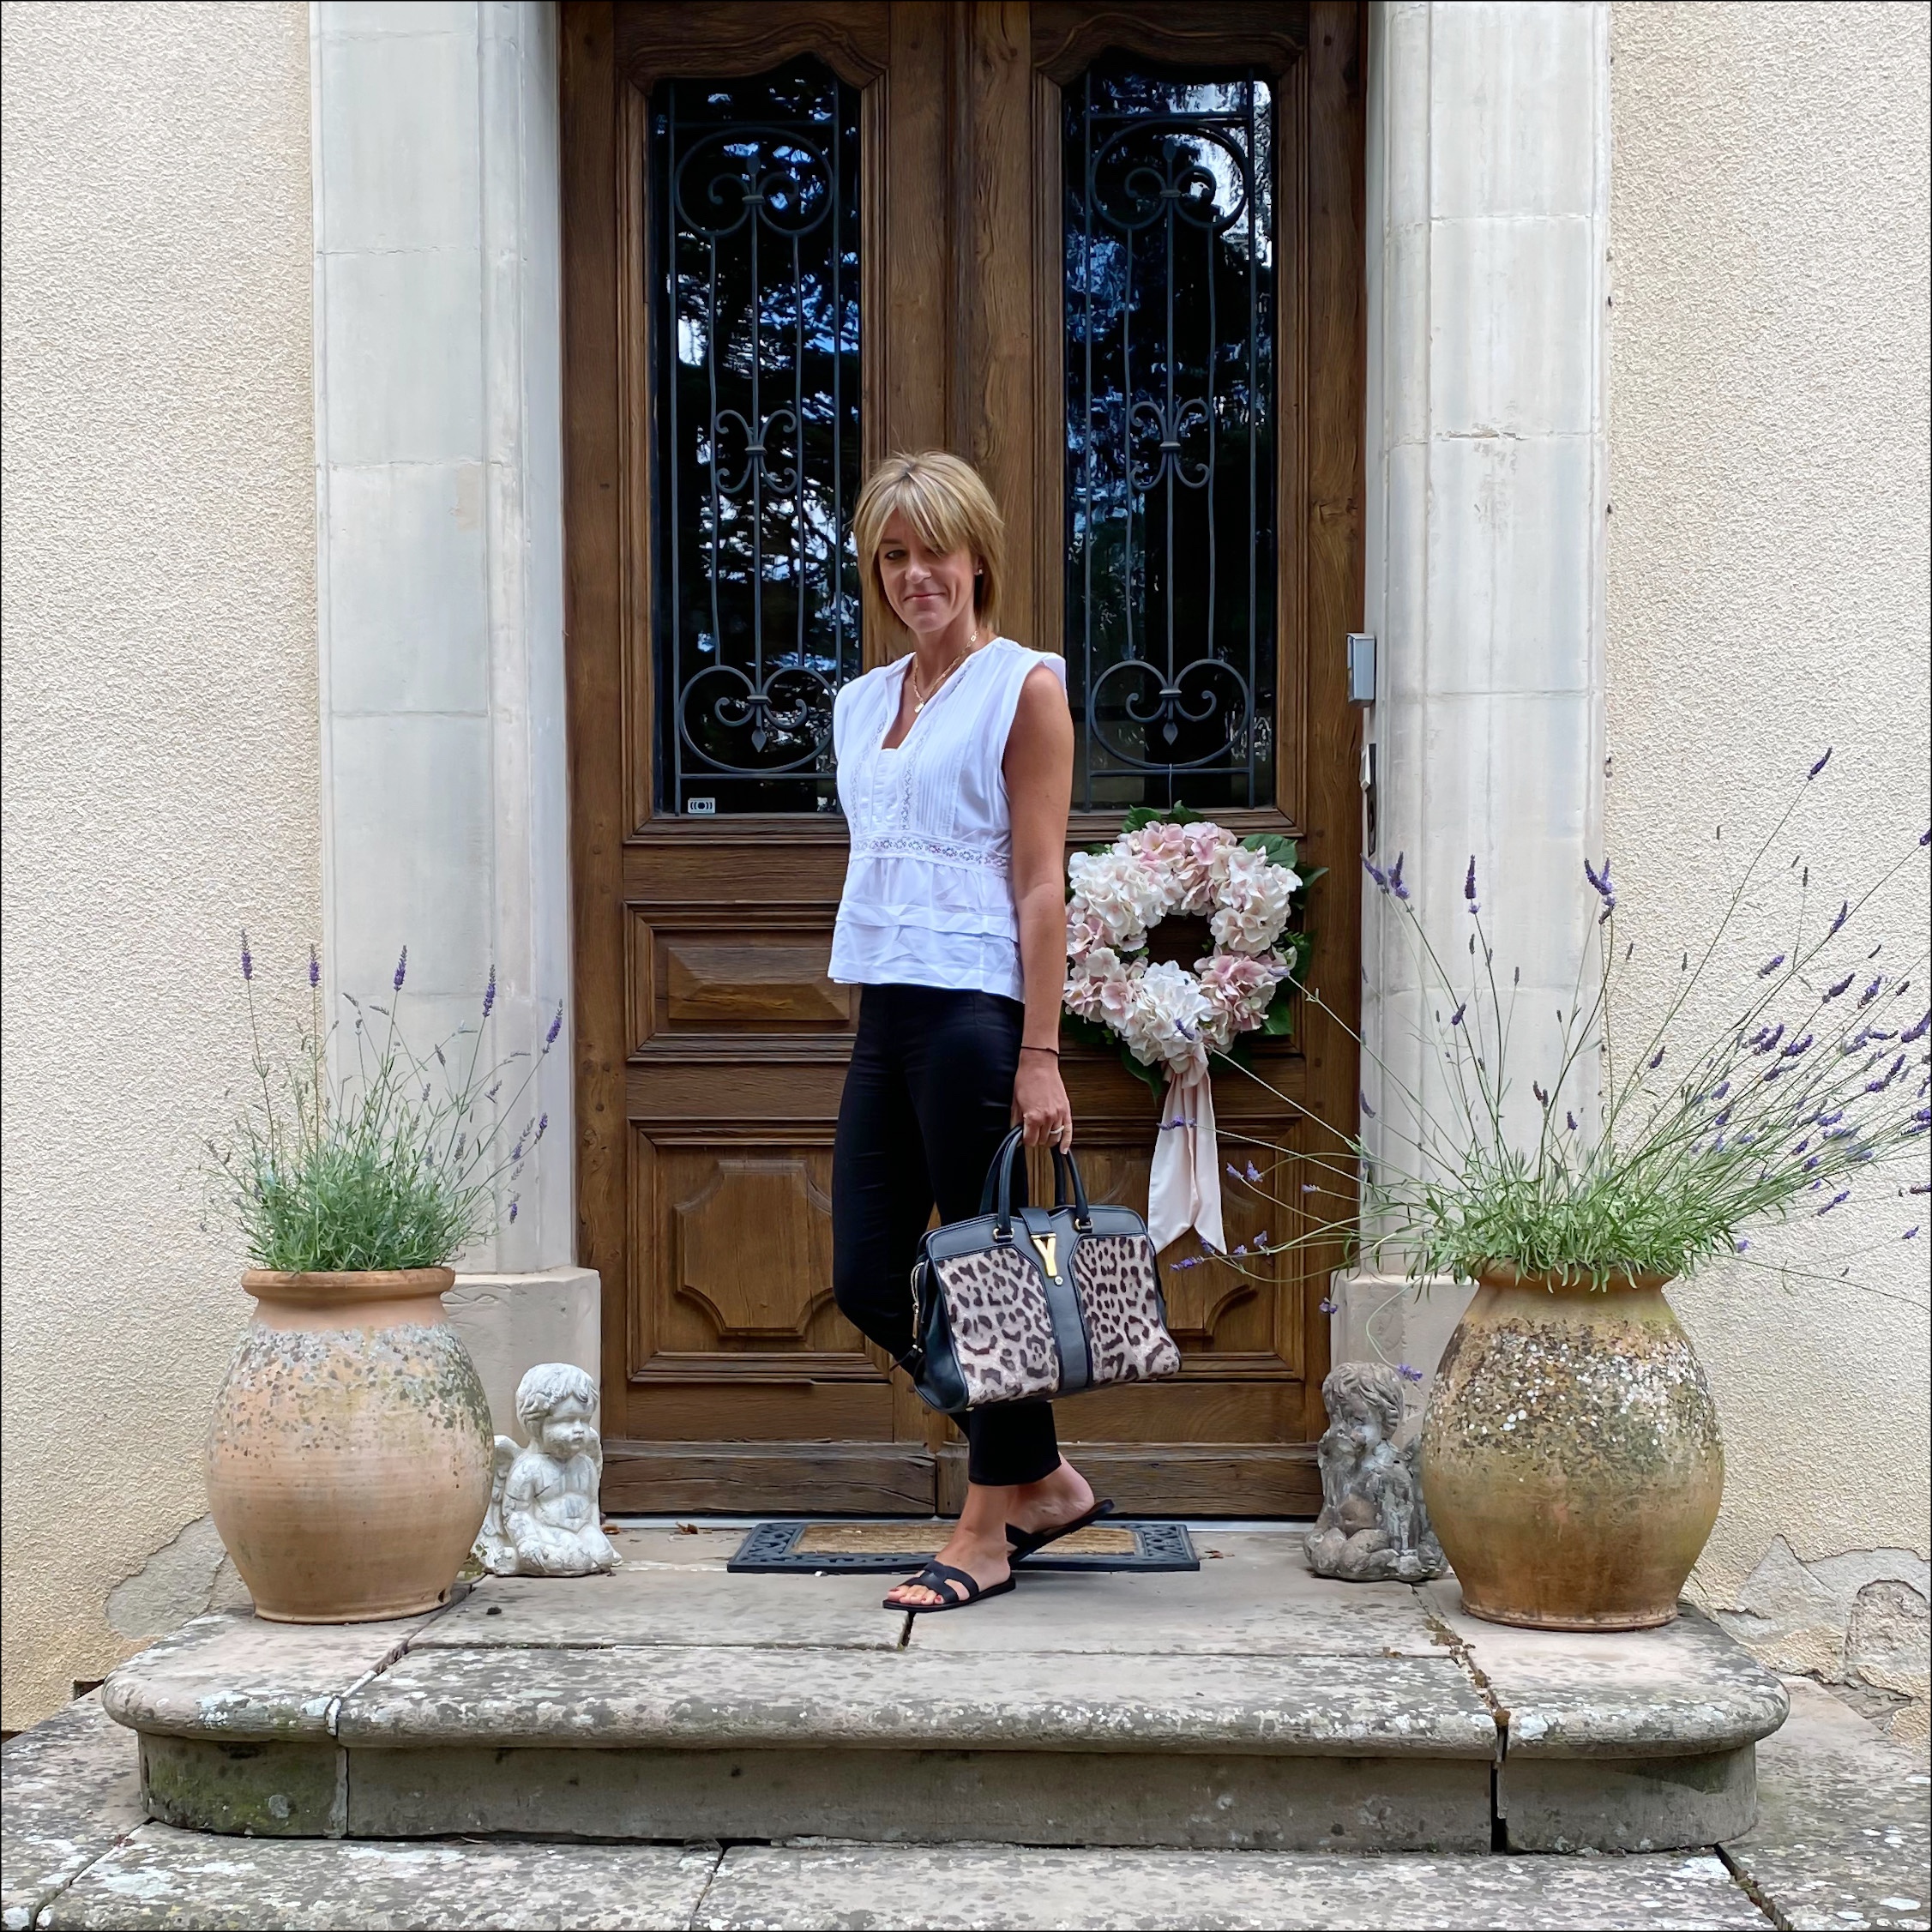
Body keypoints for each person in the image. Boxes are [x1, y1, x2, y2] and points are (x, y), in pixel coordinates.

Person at [830, 450, 1104, 1614]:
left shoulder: (1021, 687)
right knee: (865, 1276)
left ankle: (985, 1526)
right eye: (890, 555)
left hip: (974, 1014)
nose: (912, 575)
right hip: (885, 1004)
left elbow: (1041, 883)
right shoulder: (857, 701)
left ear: (975, 554)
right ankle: (1038, 1473)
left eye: (931, 550)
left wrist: (1039, 1050)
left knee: (987, 1277)